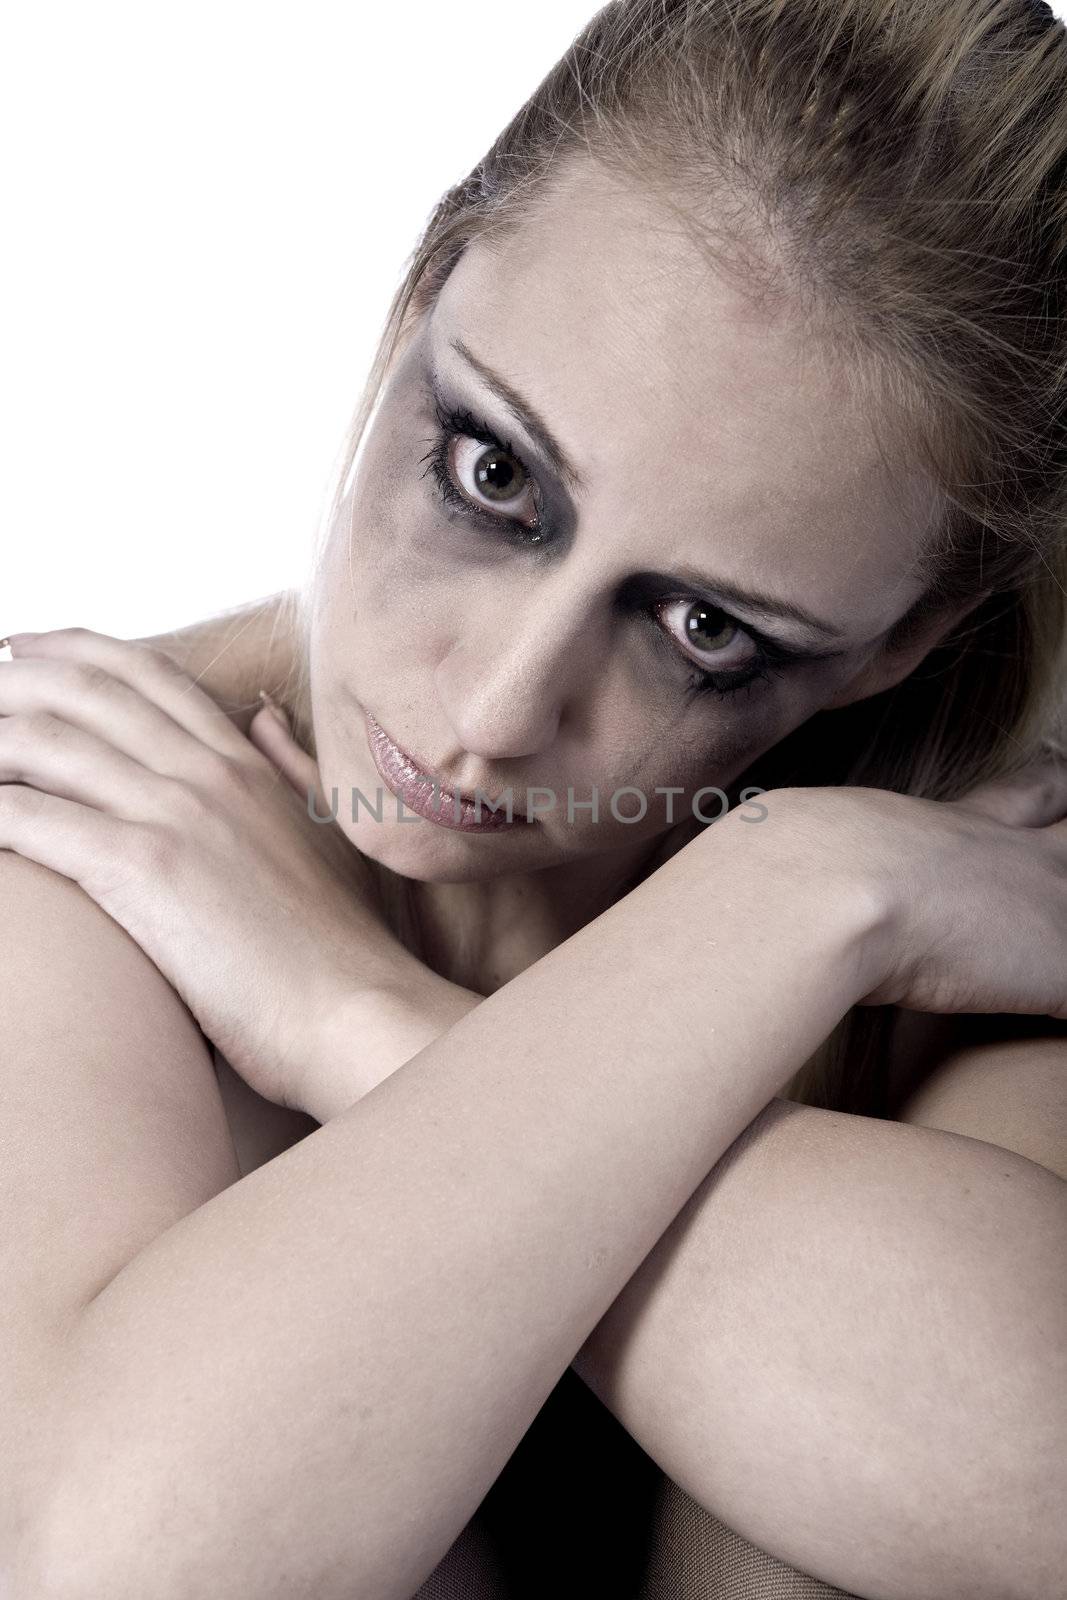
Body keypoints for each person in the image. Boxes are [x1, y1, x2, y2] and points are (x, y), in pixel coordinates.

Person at [1, 0, 1065, 1595]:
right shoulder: (82, 822)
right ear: (425, 285)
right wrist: (793, 899)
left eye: (705, 630)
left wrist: (352, 1014)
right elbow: (128, 1569)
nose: (493, 712)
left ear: (892, 646)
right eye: (496, 476)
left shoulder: (955, 884)